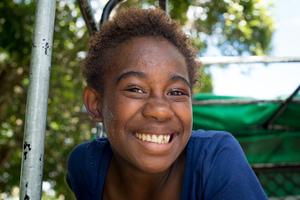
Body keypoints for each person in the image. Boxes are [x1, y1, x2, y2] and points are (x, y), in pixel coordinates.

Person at [66, 7, 268, 200]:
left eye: (176, 92)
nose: (161, 110)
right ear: (95, 104)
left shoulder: (215, 158)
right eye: (135, 89)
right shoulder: (85, 166)